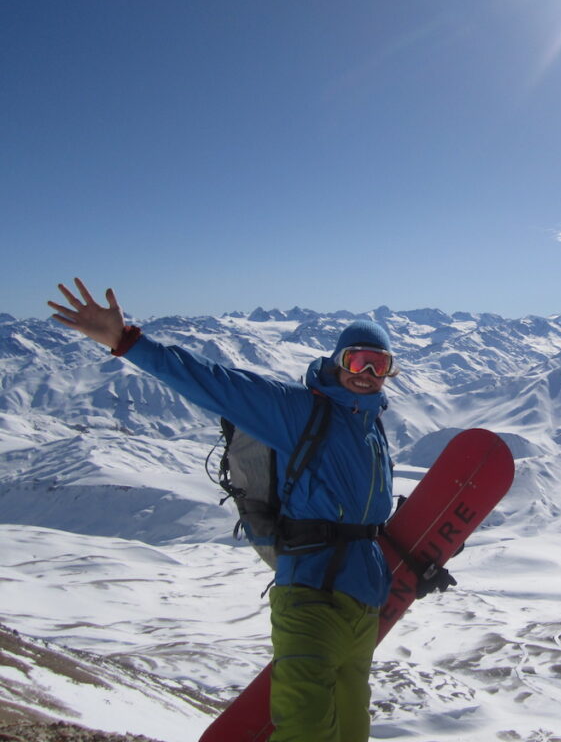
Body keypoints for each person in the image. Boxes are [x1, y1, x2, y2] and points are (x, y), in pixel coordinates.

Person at [48, 278, 396, 742]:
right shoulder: (297, 412)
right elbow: (216, 384)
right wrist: (126, 341)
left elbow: (368, 526)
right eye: (358, 359)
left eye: (380, 364)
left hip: (362, 606)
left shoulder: (374, 431)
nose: (367, 372)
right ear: (337, 361)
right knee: (305, 732)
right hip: (310, 598)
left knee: (352, 733)